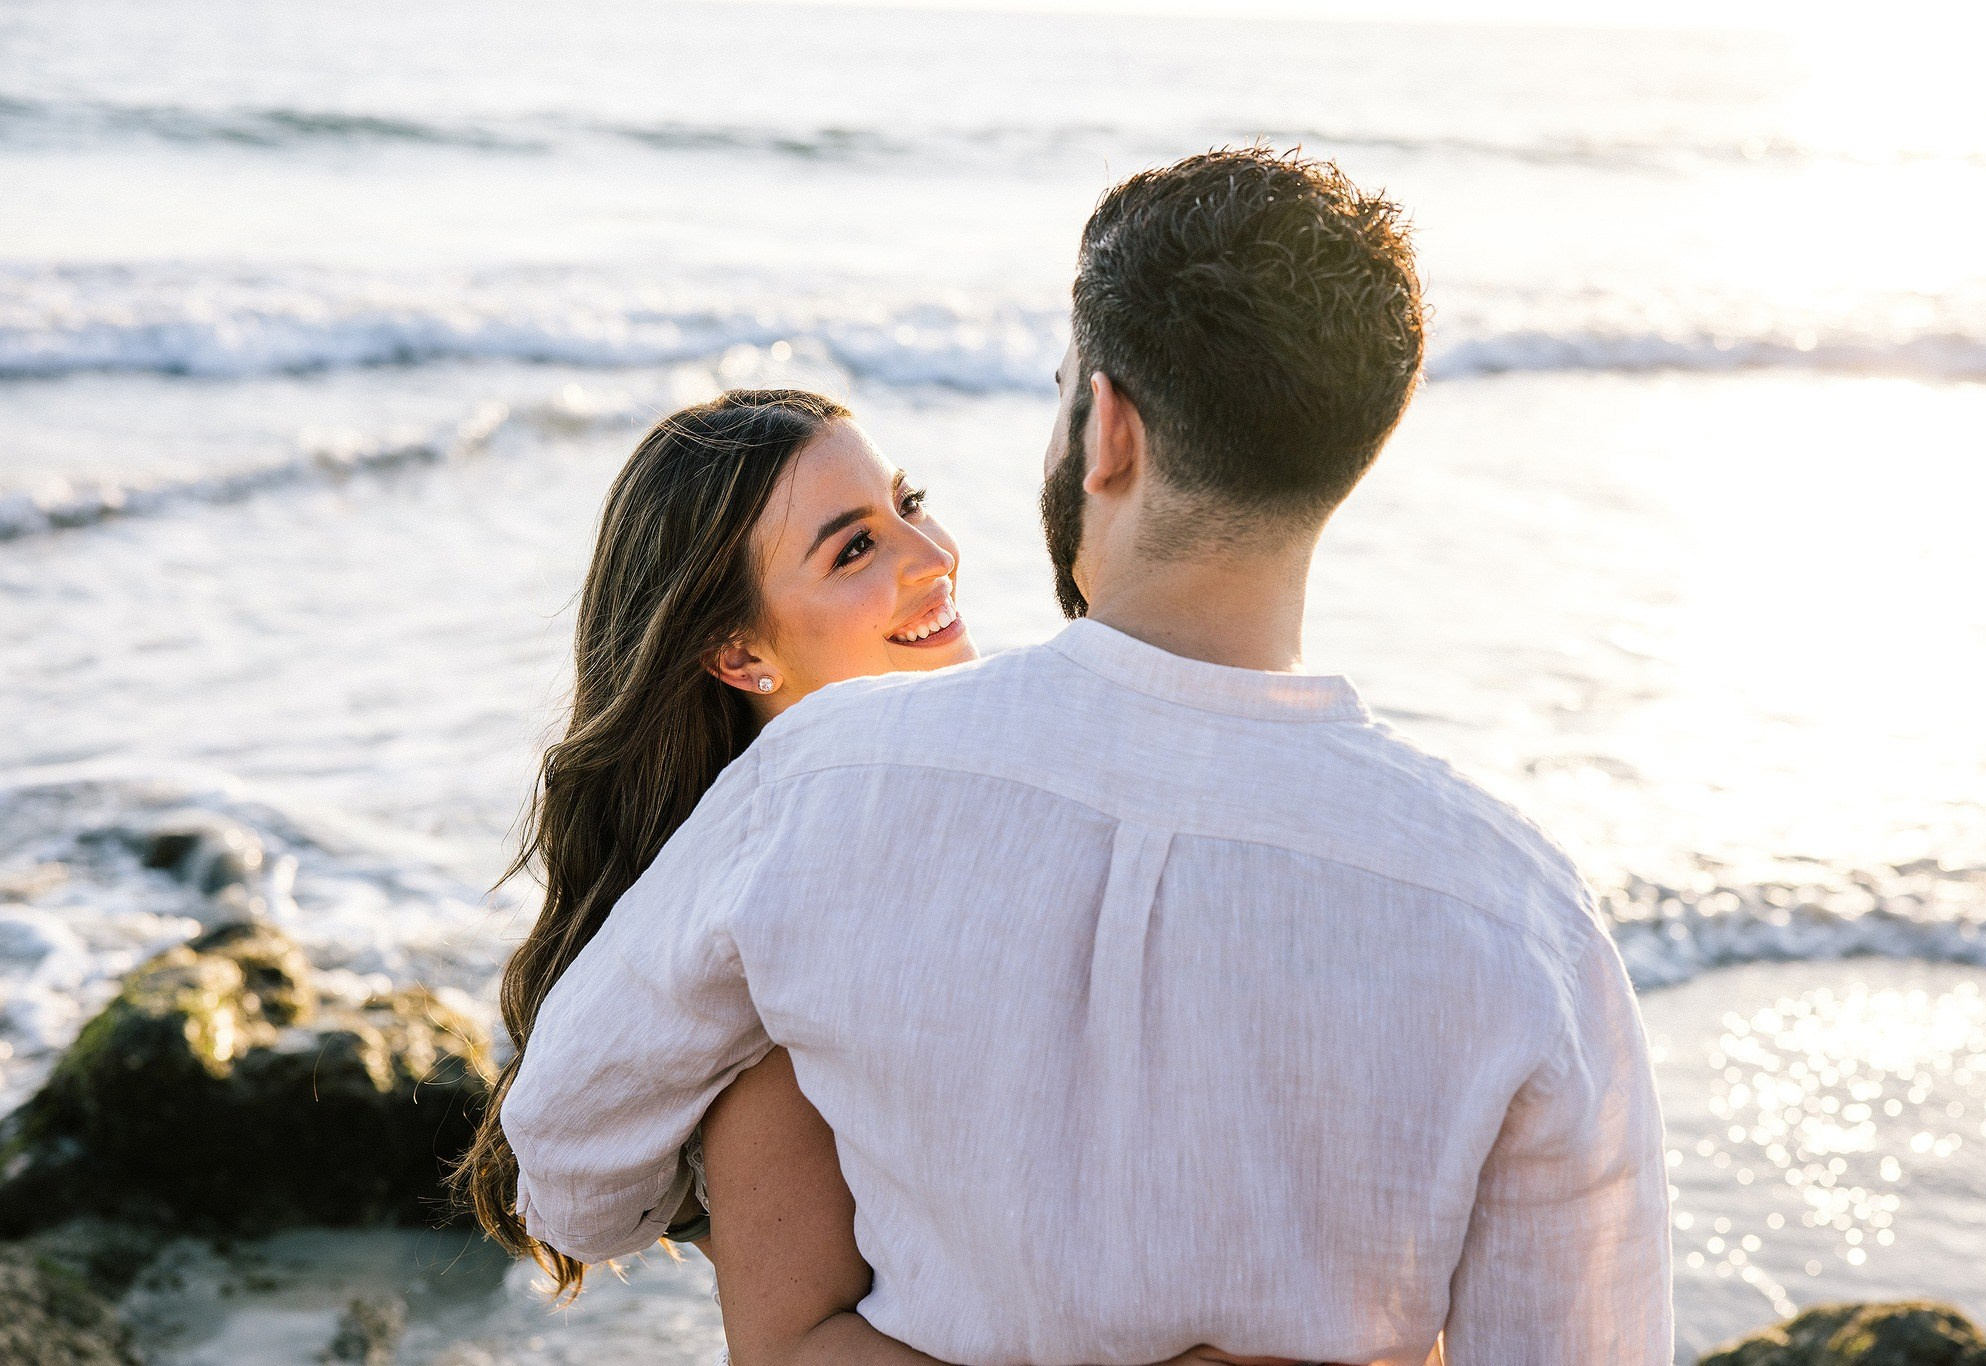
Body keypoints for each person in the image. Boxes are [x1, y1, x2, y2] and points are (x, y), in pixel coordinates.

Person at [498, 147, 1674, 1364]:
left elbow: (570, 1174)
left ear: (1105, 428)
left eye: (1063, 387)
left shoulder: (816, 791)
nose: (927, 549)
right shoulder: (1522, 922)